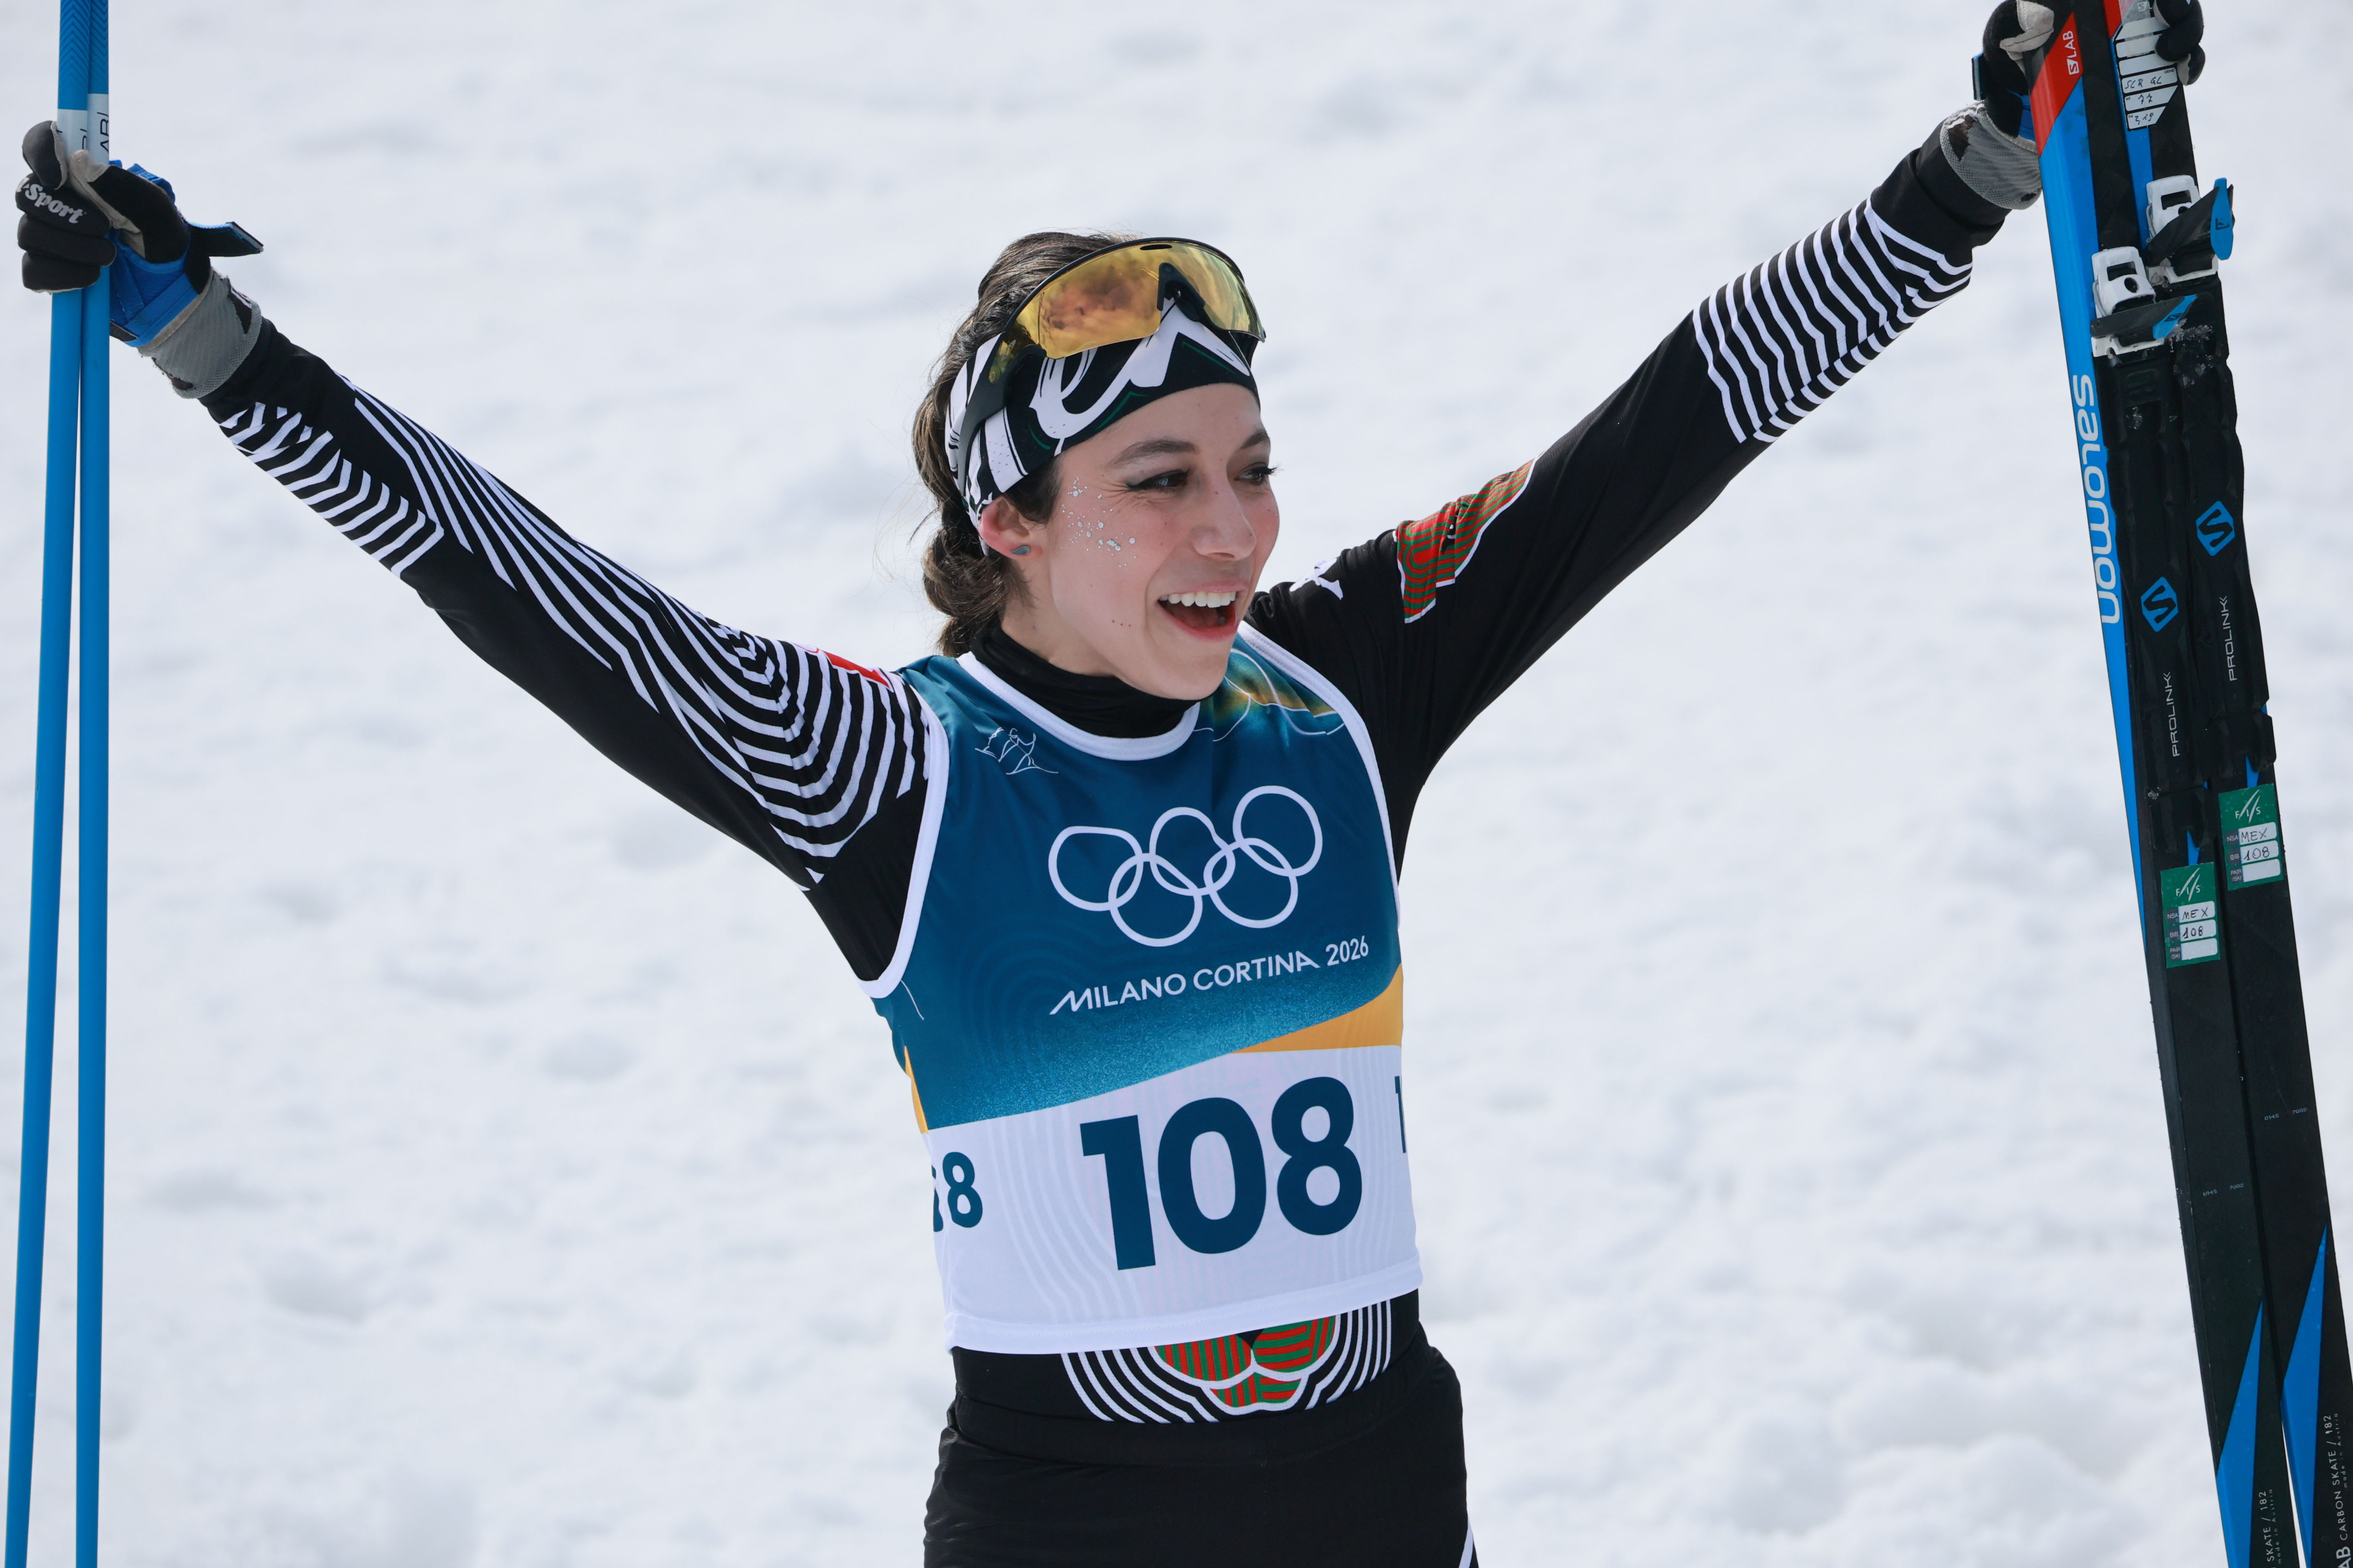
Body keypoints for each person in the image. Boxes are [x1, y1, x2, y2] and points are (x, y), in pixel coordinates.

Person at [12, 3, 2209, 1562]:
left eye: (1251, 467)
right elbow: (526, 585)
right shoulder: (885, 768)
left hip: (1378, 1498)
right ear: (1010, 528)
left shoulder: (1343, 684)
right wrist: (218, 347)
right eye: (1156, 480)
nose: (1233, 530)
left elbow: (1671, 426)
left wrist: (1976, 172)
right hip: (1071, 1524)